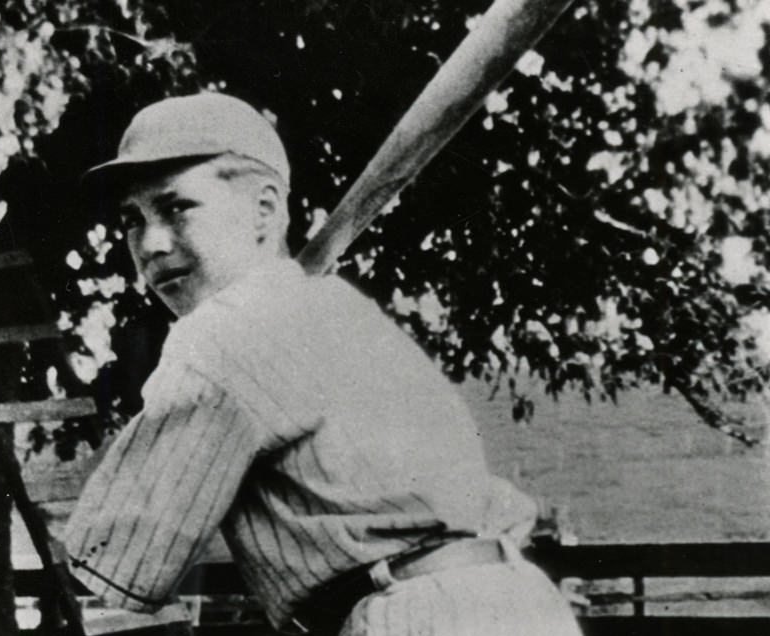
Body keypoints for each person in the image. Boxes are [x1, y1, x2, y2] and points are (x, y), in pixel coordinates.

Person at [64, 91, 581, 636]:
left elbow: (114, 562)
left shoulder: (222, 331)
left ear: (264, 209)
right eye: (131, 220)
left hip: (413, 615)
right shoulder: (333, 307)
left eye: (176, 208)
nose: (152, 244)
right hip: (513, 601)